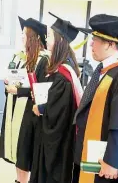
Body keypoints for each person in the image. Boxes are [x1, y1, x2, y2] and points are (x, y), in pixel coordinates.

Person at [73, 14, 118, 183]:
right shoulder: (107, 71)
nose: (91, 43)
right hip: (95, 153)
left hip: (106, 163)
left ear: (110, 44)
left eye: (95, 39)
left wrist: (112, 160)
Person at [30, 12, 84, 183]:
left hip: (58, 138)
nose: (47, 38)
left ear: (60, 40)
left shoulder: (63, 75)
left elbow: (58, 110)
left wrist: (41, 108)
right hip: (55, 134)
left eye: (50, 35)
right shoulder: (61, 68)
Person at [0, 17, 49, 183]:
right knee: (18, 151)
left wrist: (18, 90)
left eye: (24, 34)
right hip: (15, 108)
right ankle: (19, 180)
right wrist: (8, 82)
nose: (21, 37)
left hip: (29, 113)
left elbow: (43, 90)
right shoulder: (20, 56)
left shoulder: (44, 60)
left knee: (25, 150)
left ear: (34, 38)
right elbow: (15, 76)